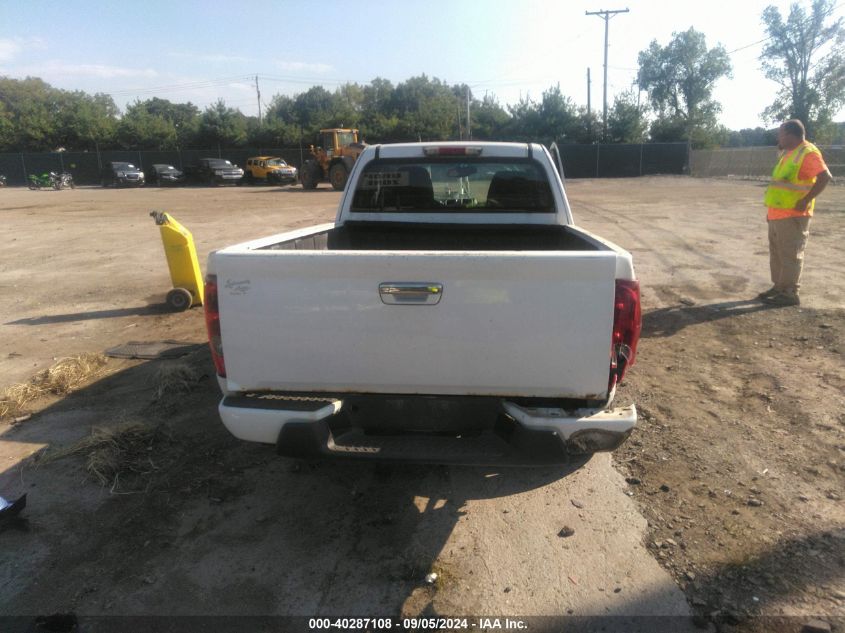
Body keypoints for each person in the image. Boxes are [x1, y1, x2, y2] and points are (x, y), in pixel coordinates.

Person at [758, 119, 832, 306]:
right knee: (777, 253)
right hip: (777, 214)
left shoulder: (807, 153)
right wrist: (771, 212)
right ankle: (779, 287)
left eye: (780, 133)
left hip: (793, 215)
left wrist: (805, 200)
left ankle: (790, 293)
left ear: (791, 134)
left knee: (791, 254)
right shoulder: (788, 153)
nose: (778, 137)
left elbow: (825, 177)